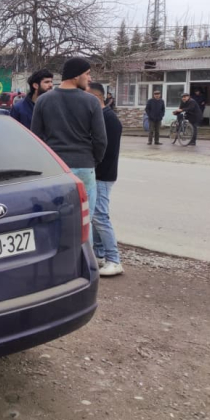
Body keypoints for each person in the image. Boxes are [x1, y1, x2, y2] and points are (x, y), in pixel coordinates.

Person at [30, 58, 107, 217]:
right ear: (76, 75)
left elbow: (36, 139)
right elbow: (100, 139)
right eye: (87, 74)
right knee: (84, 220)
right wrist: (92, 161)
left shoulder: (43, 100)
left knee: (57, 217)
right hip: (84, 166)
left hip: (56, 167)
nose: (89, 78)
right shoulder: (91, 101)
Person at [88, 83, 124, 277]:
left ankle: (114, 260)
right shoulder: (102, 116)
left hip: (102, 175)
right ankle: (99, 254)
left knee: (100, 216)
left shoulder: (108, 119)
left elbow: (104, 151)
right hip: (99, 174)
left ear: (95, 98)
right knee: (95, 216)